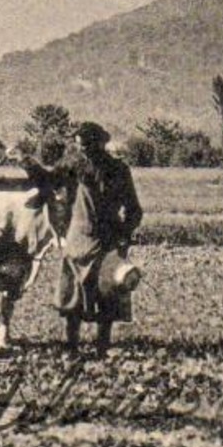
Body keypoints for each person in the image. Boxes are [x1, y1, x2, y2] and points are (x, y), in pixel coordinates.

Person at [26, 122, 143, 356]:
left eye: (88, 145)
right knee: (73, 296)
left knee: (108, 292)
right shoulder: (73, 167)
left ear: (100, 144)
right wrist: (27, 162)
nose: (84, 150)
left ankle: (102, 346)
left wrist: (123, 235)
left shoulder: (118, 171)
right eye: (81, 146)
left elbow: (134, 210)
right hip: (79, 239)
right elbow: (48, 180)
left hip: (106, 240)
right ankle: (72, 347)